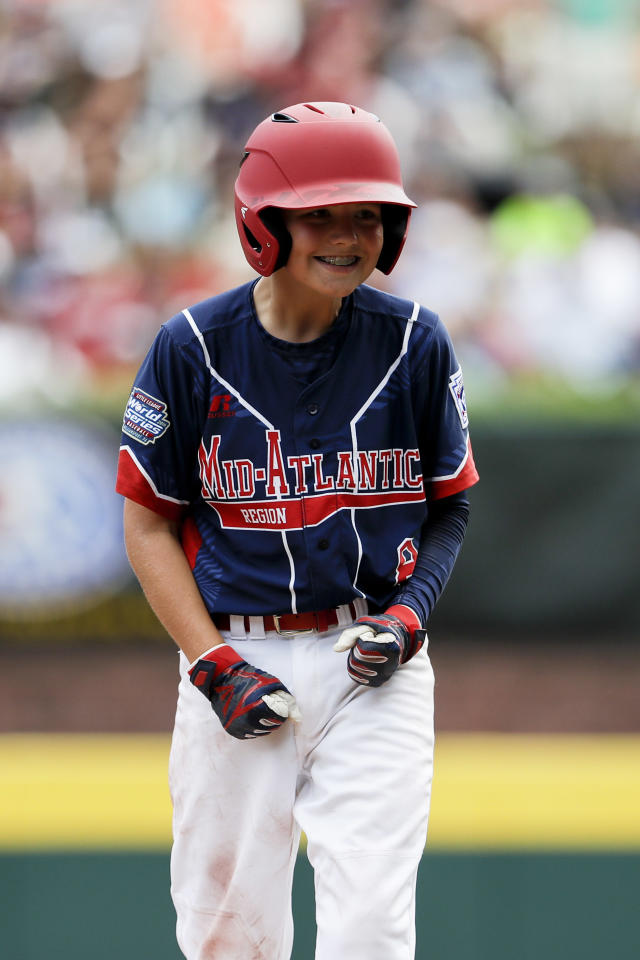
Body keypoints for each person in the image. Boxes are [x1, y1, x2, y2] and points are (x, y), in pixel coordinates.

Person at [116, 101, 479, 960]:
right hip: (237, 657)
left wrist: (409, 615)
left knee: (370, 932)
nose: (348, 234)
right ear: (264, 222)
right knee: (224, 937)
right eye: (320, 213)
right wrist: (212, 664)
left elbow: (450, 504)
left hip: (373, 664)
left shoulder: (416, 342)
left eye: (368, 214)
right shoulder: (192, 347)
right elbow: (146, 525)